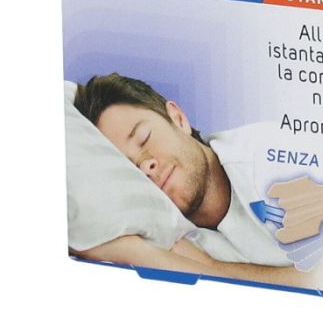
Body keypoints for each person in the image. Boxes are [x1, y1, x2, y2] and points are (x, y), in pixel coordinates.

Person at [73, 73, 302, 285]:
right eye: (129, 168)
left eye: (144, 138)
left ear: (178, 118)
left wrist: (211, 267)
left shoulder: (274, 157)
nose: (145, 165)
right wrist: (135, 253)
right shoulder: (166, 238)